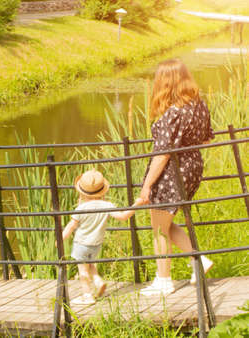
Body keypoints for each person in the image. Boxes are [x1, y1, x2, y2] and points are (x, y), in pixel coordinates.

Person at [139, 58, 214, 296]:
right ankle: (198, 260)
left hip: (172, 171)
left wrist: (147, 185)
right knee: (165, 223)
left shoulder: (172, 113)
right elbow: (206, 138)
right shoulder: (198, 105)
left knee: (159, 228)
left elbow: (162, 154)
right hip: (193, 166)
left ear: (165, 82)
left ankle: (163, 281)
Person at [63, 169, 144, 305]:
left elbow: (71, 226)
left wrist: (60, 239)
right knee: (90, 265)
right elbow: (124, 216)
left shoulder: (81, 209)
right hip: (96, 245)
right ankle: (98, 281)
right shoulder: (106, 205)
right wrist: (138, 204)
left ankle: (87, 296)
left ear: (81, 191)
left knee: (83, 270)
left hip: (81, 244)